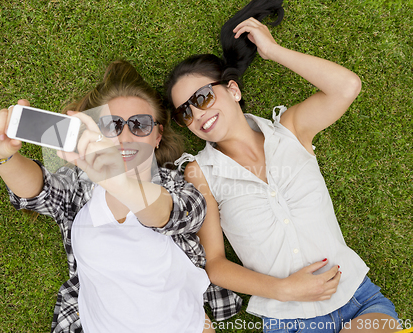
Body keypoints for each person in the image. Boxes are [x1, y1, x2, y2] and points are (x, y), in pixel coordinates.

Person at [165, 0, 401, 332]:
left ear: (232, 90)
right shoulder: (200, 172)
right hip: (288, 319)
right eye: (184, 112)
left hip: (357, 300)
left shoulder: (290, 130)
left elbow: (347, 87)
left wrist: (273, 51)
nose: (197, 114)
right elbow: (215, 264)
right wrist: (284, 289)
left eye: (203, 97)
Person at [0, 61, 240, 332]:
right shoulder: (79, 188)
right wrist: (3, 157)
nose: (126, 136)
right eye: (112, 125)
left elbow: (176, 213)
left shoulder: (180, 183)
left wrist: (118, 180)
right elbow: (39, 192)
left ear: (158, 136)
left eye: (140, 124)